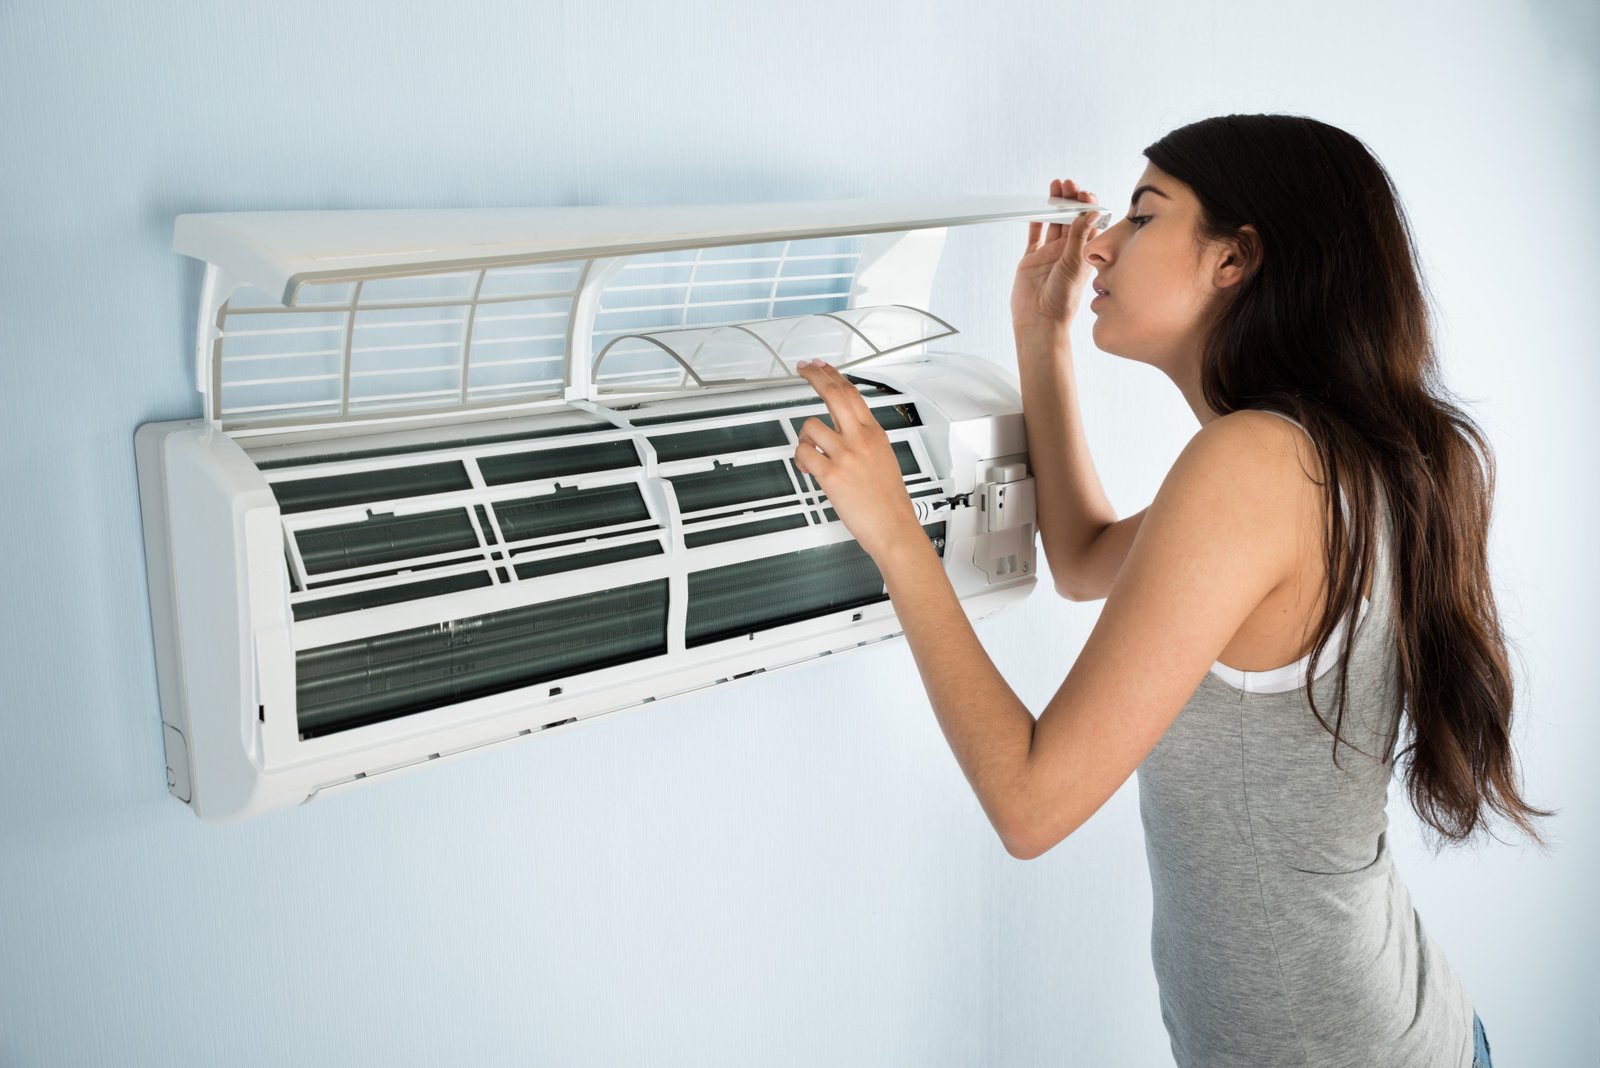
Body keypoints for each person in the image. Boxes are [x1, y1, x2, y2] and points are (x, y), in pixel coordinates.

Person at [791, 113, 1548, 1068]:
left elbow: (1030, 804)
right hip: (1408, 1025)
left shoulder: (1256, 464)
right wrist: (1042, 335)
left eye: (1142, 217)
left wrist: (896, 536)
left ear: (1235, 260)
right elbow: (1086, 559)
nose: (1100, 241)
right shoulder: (1337, 454)